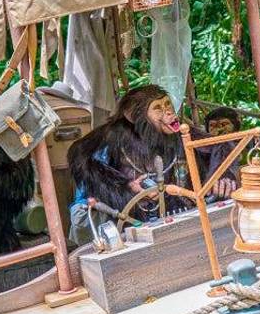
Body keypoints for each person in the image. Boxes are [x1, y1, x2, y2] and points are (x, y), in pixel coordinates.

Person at [68, 85, 237, 223]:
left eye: (167, 104)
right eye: (158, 108)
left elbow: (219, 143)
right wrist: (122, 187)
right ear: (135, 116)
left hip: (182, 207)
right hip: (135, 212)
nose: (169, 112)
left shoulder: (181, 130)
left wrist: (221, 174)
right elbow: (78, 154)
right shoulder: (116, 132)